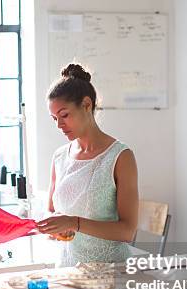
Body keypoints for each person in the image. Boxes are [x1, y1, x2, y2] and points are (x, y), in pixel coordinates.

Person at [36, 63, 139, 266]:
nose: (59, 125)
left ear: (86, 105)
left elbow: (127, 231)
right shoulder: (59, 157)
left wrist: (73, 223)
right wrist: (54, 226)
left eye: (64, 115)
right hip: (68, 270)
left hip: (111, 273)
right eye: (54, 118)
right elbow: (51, 210)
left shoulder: (120, 157)